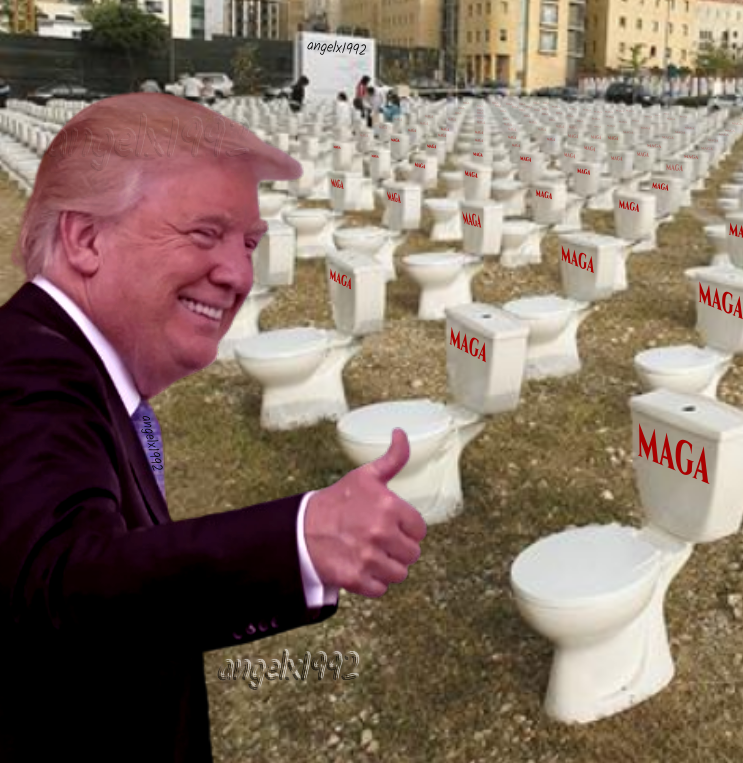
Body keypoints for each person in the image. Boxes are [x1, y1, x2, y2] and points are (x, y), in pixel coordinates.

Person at [0, 94, 426, 760]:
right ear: (85, 238)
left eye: (249, 241)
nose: (237, 273)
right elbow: (63, 585)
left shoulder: (66, 361)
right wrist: (300, 539)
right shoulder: (25, 376)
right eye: (204, 232)